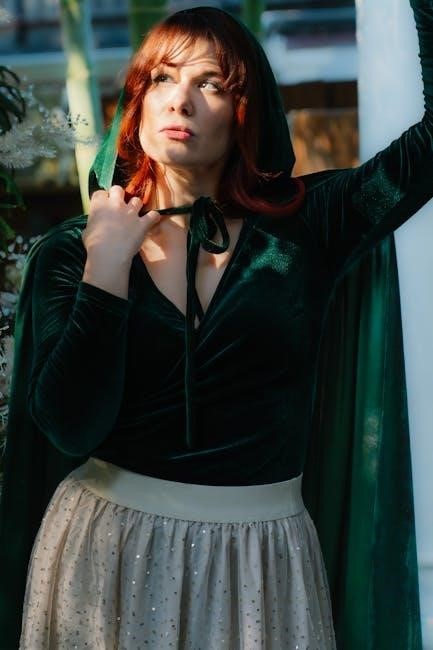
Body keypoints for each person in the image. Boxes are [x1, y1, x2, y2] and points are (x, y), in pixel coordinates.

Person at [0, 1, 430, 647]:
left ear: (246, 112)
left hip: (263, 561)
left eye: (211, 84)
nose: (180, 101)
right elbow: (69, 426)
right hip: (108, 554)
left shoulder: (310, 226)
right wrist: (106, 268)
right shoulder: (73, 249)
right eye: (163, 78)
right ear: (137, 101)